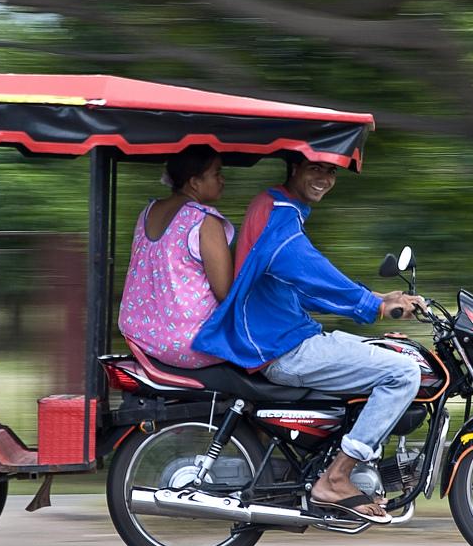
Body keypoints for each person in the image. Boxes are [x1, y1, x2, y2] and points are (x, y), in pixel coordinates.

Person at [194, 154, 424, 523]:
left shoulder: (277, 207)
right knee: (403, 373)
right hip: (283, 347)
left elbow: (305, 288)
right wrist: (372, 305)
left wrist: (377, 300)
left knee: (388, 353)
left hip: (288, 336)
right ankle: (336, 478)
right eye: (315, 168)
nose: (324, 178)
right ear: (294, 169)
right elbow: (312, 271)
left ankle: (339, 462)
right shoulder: (280, 217)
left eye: (330, 171)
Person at [118, 147, 234, 369]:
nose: (222, 180)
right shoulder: (205, 220)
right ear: (194, 182)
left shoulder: (148, 212)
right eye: (216, 173)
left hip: (139, 335)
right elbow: (225, 293)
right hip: (189, 342)